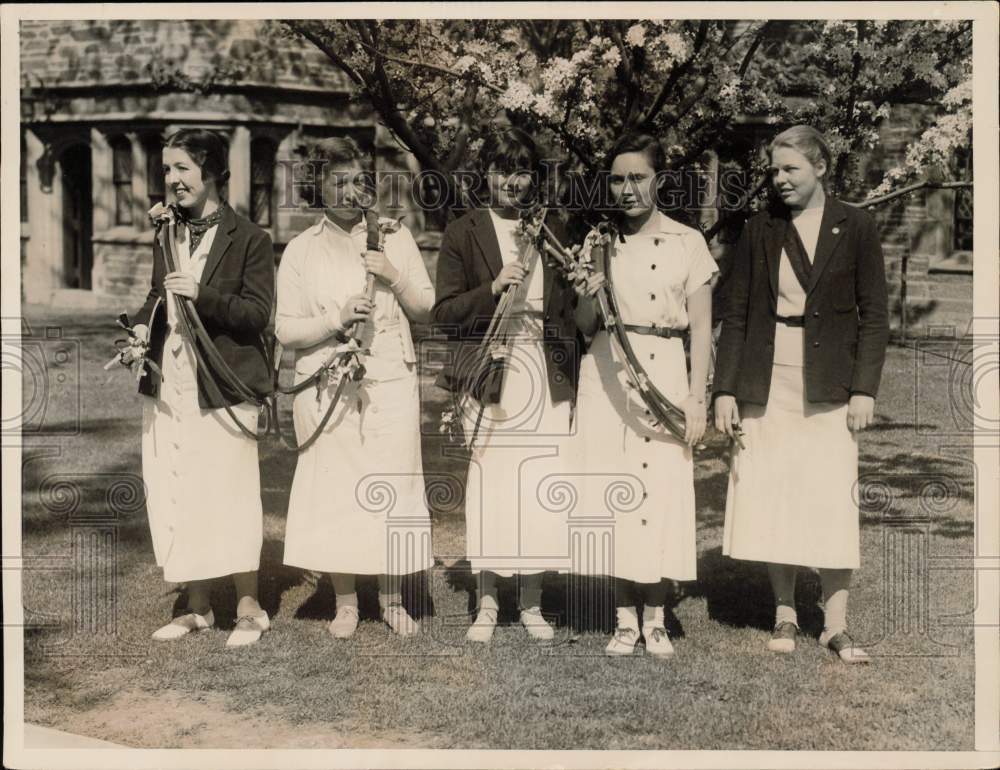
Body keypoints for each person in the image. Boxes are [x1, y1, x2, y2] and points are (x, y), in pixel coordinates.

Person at [713, 125, 890, 664]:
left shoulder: (855, 225)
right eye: (773, 170)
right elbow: (737, 313)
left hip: (830, 384)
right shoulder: (760, 228)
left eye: (790, 168)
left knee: (831, 498)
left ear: (820, 168)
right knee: (774, 492)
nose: (779, 179)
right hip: (767, 381)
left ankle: (834, 624)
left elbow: (876, 316)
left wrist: (864, 389)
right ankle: (785, 611)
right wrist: (724, 390)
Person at [277, 136, 434, 639]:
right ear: (316, 186)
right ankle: (345, 602)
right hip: (328, 378)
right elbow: (284, 329)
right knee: (338, 485)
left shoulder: (394, 236)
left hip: (390, 374)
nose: (351, 192)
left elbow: (426, 308)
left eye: (359, 181)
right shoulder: (302, 250)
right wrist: (335, 318)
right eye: (338, 182)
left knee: (391, 480)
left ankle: (391, 598)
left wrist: (391, 274)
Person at [431, 127, 583, 643]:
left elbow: (570, 311)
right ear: (485, 175)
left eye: (522, 171)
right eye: (501, 170)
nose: (512, 182)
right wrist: (491, 289)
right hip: (493, 373)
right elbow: (445, 315)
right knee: (493, 485)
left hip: (545, 369)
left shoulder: (552, 228)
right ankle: (488, 602)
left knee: (540, 484)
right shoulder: (463, 232)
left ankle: (533, 603)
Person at [572, 132, 717, 658]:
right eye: (617, 179)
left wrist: (697, 398)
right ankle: (622, 619)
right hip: (608, 372)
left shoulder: (688, 242)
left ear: (659, 180)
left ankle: (656, 617)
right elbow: (585, 324)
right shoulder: (598, 241)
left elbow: (701, 329)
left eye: (637, 177)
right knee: (613, 490)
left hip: (665, 376)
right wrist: (587, 293)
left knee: (659, 491)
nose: (626, 189)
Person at [130, 128, 275, 648]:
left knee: (230, 493)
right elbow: (156, 296)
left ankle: (249, 608)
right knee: (179, 487)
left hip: (224, 384)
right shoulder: (166, 233)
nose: (171, 180)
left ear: (212, 171)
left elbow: (258, 315)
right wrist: (138, 332)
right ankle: (197, 608)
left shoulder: (252, 239)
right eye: (167, 170)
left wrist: (203, 294)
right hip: (171, 385)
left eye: (182, 169)